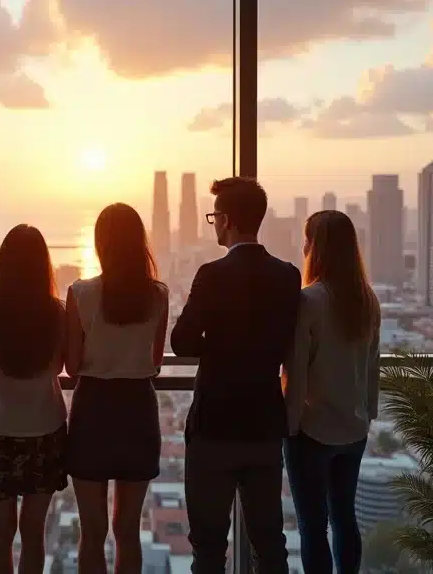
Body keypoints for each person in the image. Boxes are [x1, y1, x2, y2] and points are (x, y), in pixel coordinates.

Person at [170, 177, 300, 574]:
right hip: (263, 423)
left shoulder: (211, 274)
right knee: (270, 542)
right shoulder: (288, 275)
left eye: (213, 217)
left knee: (208, 546)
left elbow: (182, 341)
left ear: (224, 220)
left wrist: (220, 347)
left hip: (214, 426)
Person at [65, 203, 169, 574]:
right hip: (138, 408)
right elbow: (155, 362)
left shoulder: (80, 293)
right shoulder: (158, 294)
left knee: (92, 532)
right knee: (128, 530)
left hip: (93, 408)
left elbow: (72, 368)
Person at [282, 210, 380, 574]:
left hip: (312, 429)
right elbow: (372, 366)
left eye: (307, 239)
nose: (303, 245)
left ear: (316, 247)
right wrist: (367, 415)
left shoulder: (309, 301)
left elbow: (295, 371)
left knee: (312, 525)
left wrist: (290, 426)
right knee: (344, 518)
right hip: (354, 429)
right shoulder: (367, 300)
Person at [0, 224, 68, 574]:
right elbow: (58, 366)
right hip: (44, 430)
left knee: (0, 535)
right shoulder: (57, 312)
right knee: (34, 534)